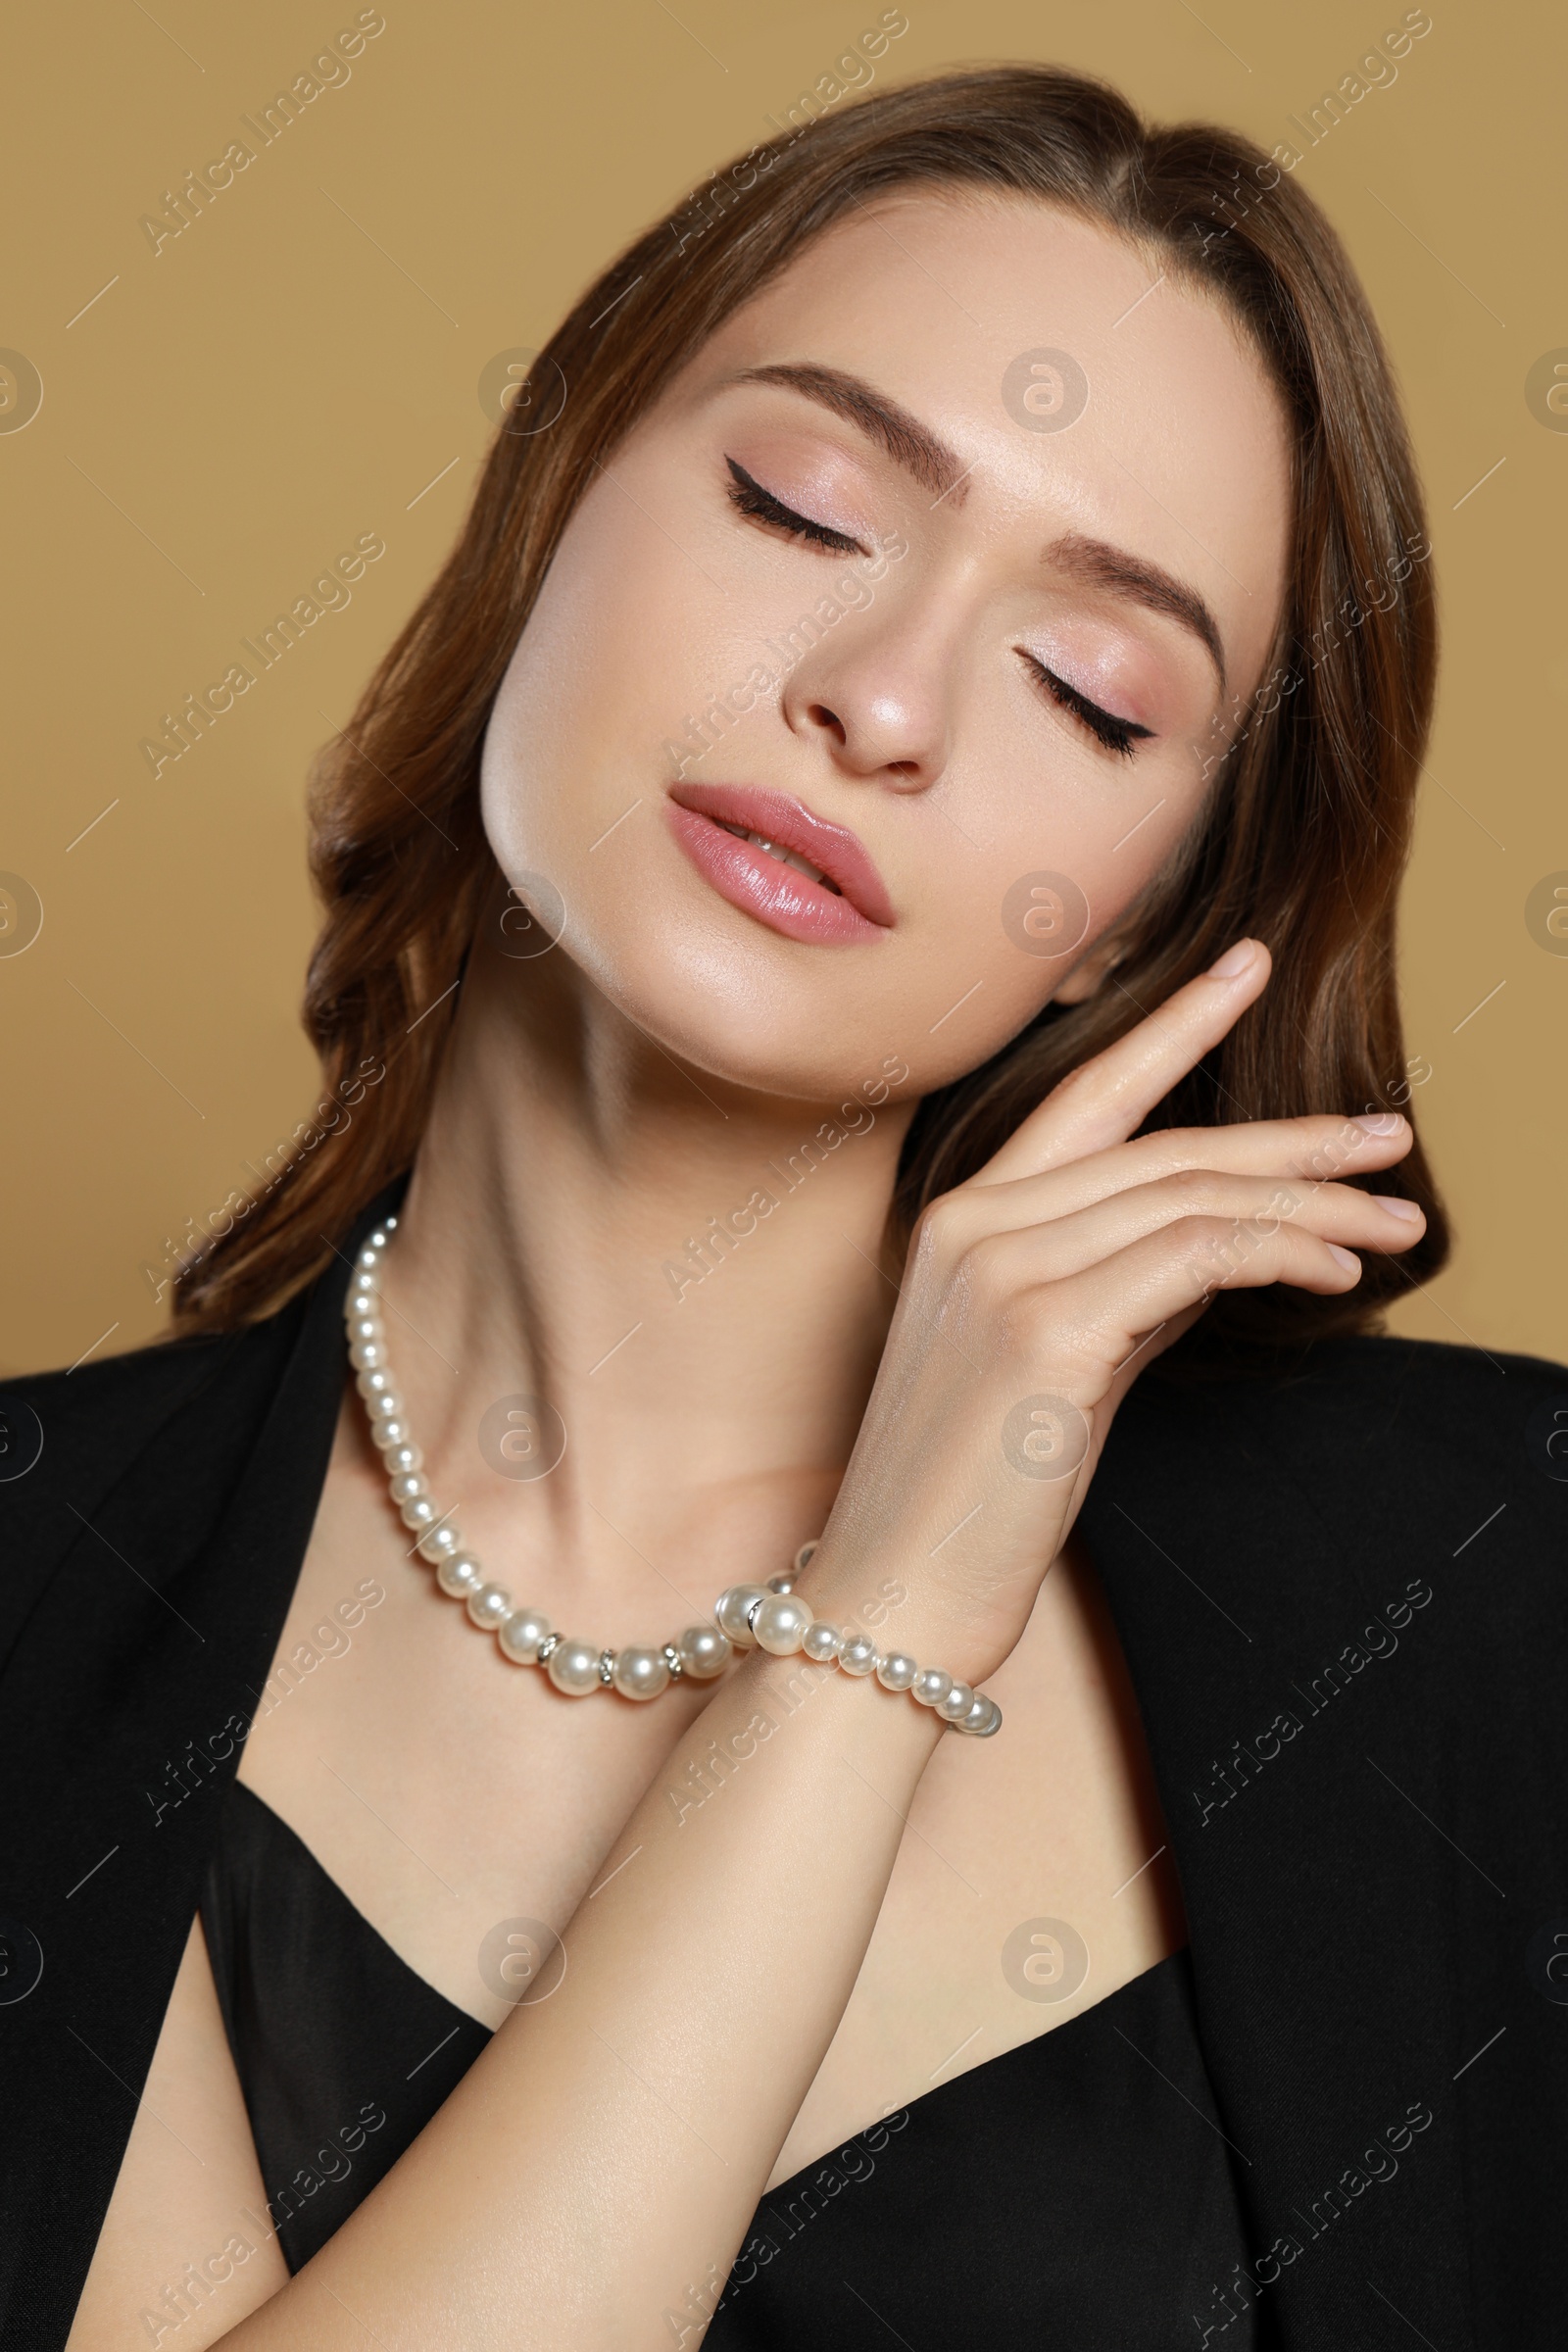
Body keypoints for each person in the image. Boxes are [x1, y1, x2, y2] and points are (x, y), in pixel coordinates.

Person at [5, 63, 1562, 2352]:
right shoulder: (41, 1594)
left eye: (1089, 688)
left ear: (1139, 921)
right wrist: (892, 1599)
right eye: (799, 503)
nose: (882, 700)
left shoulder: (1487, 1581)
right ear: (549, 498)